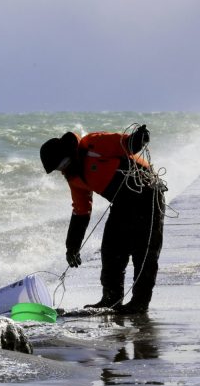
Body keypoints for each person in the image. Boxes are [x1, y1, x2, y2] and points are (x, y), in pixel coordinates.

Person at [39, 125, 165, 314]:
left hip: (147, 195)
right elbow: (81, 212)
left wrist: (139, 138)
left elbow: (125, 143)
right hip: (121, 204)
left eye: (64, 163)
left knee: (144, 253)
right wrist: (72, 247)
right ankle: (111, 299)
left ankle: (139, 303)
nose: (63, 169)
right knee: (111, 251)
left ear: (70, 153)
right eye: (59, 168)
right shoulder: (73, 178)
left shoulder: (93, 143)